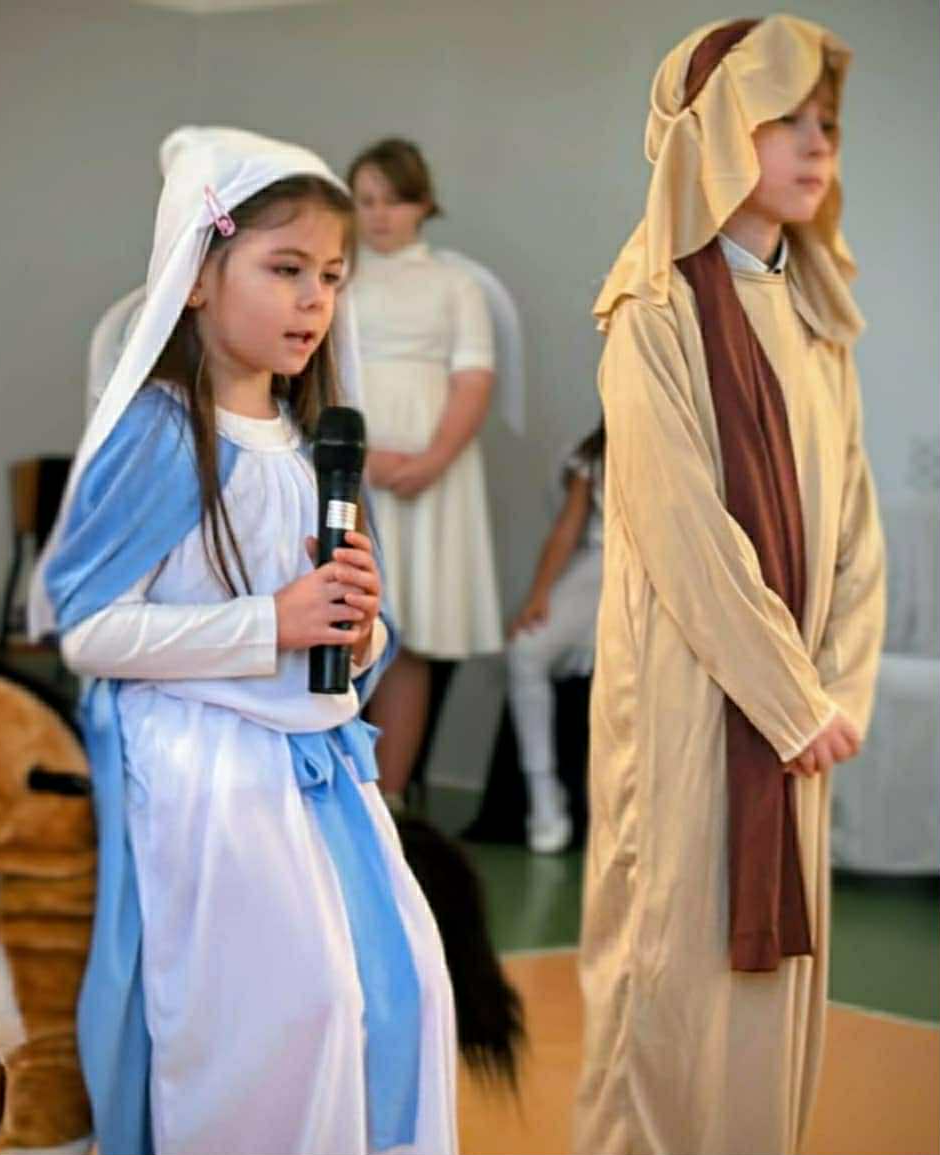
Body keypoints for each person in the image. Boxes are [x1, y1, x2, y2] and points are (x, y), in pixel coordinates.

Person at [29, 127, 457, 1155]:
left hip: (316, 767)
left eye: (332, 277)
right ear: (195, 278)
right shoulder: (161, 432)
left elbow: (348, 632)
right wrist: (272, 622)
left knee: (404, 990)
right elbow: (88, 629)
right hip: (203, 772)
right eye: (285, 269)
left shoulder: (314, 446)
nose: (314, 300)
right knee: (293, 1013)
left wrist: (359, 630)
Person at [574, 17, 885, 1155]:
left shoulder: (814, 318)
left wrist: (831, 690)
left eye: (826, 123)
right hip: (688, 700)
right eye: (783, 118)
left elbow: (855, 533)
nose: (816, 145)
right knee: (666, 983)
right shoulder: (650, 312)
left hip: (795, 717)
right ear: (708, 134)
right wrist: (791, 698)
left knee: (766, 1008)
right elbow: (682, 532)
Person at [347, 137, 503, 806]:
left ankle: (389, 798)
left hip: (430, 476)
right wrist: (356, 456)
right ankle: (337, 792)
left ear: (421, 204)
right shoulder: (336, 277)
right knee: (345, 620)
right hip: (350, 466)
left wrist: (434, 457)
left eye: (393, 200)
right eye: (365, 201)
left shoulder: (454, 284)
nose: (379, 215)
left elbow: (473, 377)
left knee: (409, 632)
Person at [507, 421, 605, 853]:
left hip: (663, 575)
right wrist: (539, 594)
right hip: (601, 563)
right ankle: (543, 792)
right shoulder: (595, 451)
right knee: (526, 650)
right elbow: (568, 528)